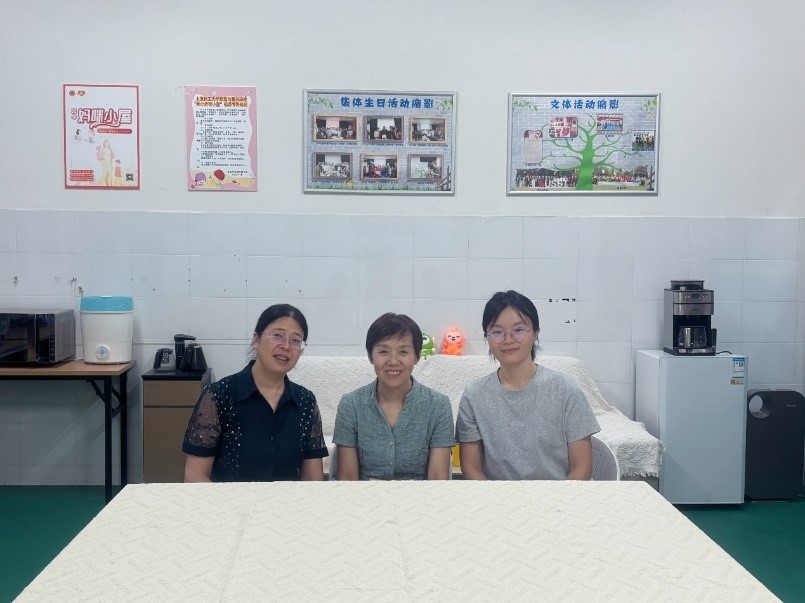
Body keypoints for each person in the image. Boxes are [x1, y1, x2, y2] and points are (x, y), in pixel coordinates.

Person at [456, 290, 600, 480]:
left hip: (558, 496)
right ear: (487, 338)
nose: (508, 340)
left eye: (518, 330)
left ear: (535, 333)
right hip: (496, 497)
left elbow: (582, 469)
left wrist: (554, 500)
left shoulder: (566, 391)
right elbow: (471, 470)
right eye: (497, 332)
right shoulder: (474, 396)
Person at [182, 304, 327, 482]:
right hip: (229, 500)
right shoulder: (218, 396)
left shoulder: (306, 401)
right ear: (256, 339)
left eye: (296, 340)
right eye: (278, 335)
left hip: (288, 500)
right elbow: (195, 476)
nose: (286, 346)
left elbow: (313, 479)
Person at [333, 313, 454, 480]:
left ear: (417, 357)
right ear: (370, 356)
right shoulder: (351, 405)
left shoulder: (438, 406)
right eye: (383, 351)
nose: (393, 361)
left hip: (420, 495)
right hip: (365, 495)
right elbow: (348, 479)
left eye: (403, 351)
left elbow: (437, 479)